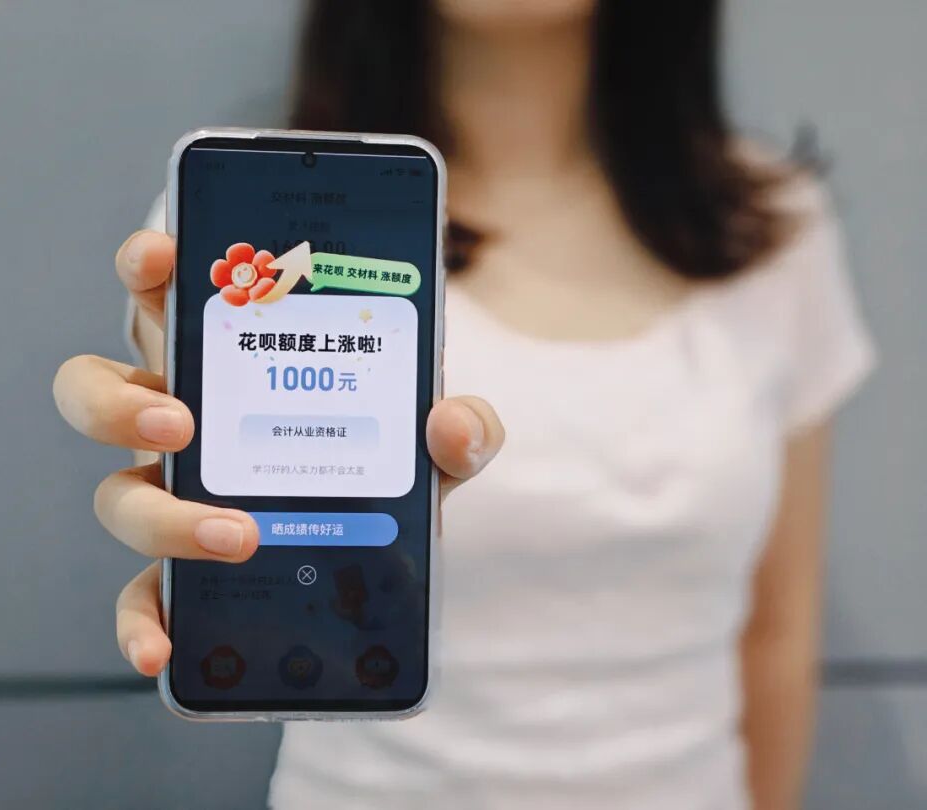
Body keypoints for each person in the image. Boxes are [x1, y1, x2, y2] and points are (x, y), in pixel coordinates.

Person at [52, 1, 875, 807]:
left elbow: (778, 629)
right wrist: (177, 489)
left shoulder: (775, 229)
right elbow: (214, 544)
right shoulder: (234, 235)